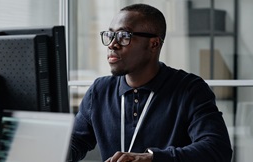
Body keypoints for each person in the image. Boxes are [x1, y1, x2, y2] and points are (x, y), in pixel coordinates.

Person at [69, 3, 233, 162]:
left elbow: (217, 149)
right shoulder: (100, 90)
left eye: (124, 36)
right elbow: (75, 143)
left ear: (153, 44)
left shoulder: (190, 89)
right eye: (110, 35)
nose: (112, 44)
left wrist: (153, 158)